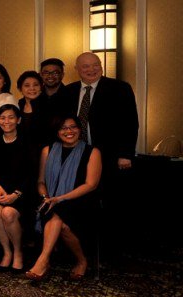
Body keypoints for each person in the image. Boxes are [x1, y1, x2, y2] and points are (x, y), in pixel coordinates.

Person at [60, 52, 138, 261]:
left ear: (101, 66)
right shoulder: (68, 91)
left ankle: (110, 251)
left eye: (95, 65)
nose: (91, 69)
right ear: (77, 69)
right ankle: (82, 248)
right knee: (82, 203)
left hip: (110, 157)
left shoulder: (120, 88)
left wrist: (125, 154)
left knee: (110, 204)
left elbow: (130, 123)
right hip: (78, 156)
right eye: (85, 66)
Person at [27, 116, 101, 281]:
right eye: (63, 128)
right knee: (62, 223)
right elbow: (40, 181)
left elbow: (91, 185)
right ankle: (81, 261)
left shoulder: (92, 152)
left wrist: (60, 198)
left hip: (81, 201)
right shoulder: (48, 150)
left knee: (59, 211)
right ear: (57, 132)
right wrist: (47, 197)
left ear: (80, 129)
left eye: (73, 127)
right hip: (51, 199)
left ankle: (43, 261)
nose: (69, 131)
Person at [0, 105, 33, 272]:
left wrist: (16, 194)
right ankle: (6, 251)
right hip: (0, 190)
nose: (7, 121)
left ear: (18, 120)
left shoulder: (28, 142)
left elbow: (31, 173)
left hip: (24, 192)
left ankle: (18, 252)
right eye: (3, 118)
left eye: (11, 117)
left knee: (8, 213)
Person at [16, 71, 58, 149]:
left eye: (36, 85)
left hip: (45, 151)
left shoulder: (49, 105)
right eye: (27, 85)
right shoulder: (18, 105)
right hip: (22, 151)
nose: (32, 88)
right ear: (20, 88)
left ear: (41, 87)